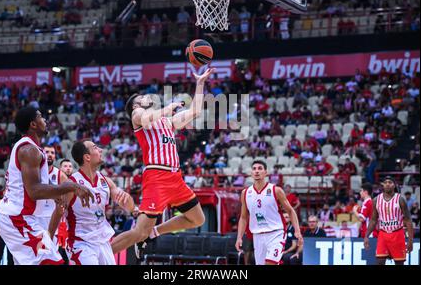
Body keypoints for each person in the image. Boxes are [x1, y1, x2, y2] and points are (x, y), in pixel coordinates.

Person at [111, 69, 215, 258]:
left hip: (175, 178)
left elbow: (195, 111)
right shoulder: (137, 115)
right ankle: (99, 255)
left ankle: (154, 232)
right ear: (135, 105)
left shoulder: (167, 121)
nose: (146, 97)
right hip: (156, 177)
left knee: (197, 218)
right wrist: (168, 108)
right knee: (138, 232)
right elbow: (145, 118)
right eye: (141, 97)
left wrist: (200, 84)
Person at [0, 106, 94, 265]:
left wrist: (54, 194)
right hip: (17, 218)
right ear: (33, 124)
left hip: (23, 217)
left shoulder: (34, 149)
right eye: (41, 117)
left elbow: (37, 187)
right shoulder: (29, 150)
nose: (45, 120)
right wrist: (72, 186)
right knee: (52, 262)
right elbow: (34, 191)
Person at [48, 140, 134, 265]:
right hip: (81, 243)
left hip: (103, 242)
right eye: (95, 148)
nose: (100, 150)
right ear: (87, 157)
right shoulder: (71, 184)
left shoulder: (106, 181)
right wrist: (49, 239)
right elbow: (58, 211)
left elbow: (129, 208)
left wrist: (128, 199)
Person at [235, 160, 303, 265]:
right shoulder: (245, 193)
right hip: (257, 235)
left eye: (260, 168)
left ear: (266, 172)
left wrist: (297, 231)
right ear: (251, 173)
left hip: (276, 233)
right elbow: (243, 217)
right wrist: (239, 237)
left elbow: (290, 210)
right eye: (254, 169)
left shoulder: (276, 190)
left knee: (270, 263)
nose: (257, 171)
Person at [364, 176, 414, 265]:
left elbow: (408, 220)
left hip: (397, 234)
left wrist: (410, 240)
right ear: (382, 185)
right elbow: (373, 220)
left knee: (399, 263)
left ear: (394, 185)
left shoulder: (400, 199)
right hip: (383, 234)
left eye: (390, 182)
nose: (387, 184)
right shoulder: (376, 200)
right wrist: (366, 236)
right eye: (385, 182)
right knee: (379, 262)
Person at [43, 145, 69, 263]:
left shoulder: (60, 175)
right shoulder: (33, 171)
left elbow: (68, 198)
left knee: (50, 253)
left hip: (52, 220)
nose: (49, 155)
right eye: (47, 152)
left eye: (52, 153)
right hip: (34, 217)